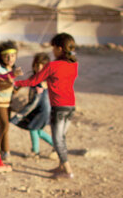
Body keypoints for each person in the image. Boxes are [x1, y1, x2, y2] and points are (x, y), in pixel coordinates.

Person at [12, 33, 79, 179]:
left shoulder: (53, 66)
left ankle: (67, 170)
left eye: (54, 48)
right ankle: (61, 167)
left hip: (59, 107)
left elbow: (33, 81)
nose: (53, 51)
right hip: (70, 106)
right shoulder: (74, 64)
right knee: (62, 137)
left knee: (57, 139)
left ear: (60, 48)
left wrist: (15, 83)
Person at [10, 53, 54, 158]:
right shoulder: (35, 79)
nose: (39, 68)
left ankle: (35, 151)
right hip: (40, 109)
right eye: (37, 65)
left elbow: (35, 101)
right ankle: (57, 145)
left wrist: (22, 113)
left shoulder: (42, 82)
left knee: (33, 128)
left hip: (41, 110)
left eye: (42, 66)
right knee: (37, 130)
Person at [0, 41, 19, 159]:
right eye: (7, 56)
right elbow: (2, 84)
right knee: (4, 126)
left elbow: (13, 88)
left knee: (4, 126)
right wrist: (12, 81)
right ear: (1, 56)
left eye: (12, 55)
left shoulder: (12, 69)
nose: (9, 58)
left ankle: (5, 151)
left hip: (8, 102)